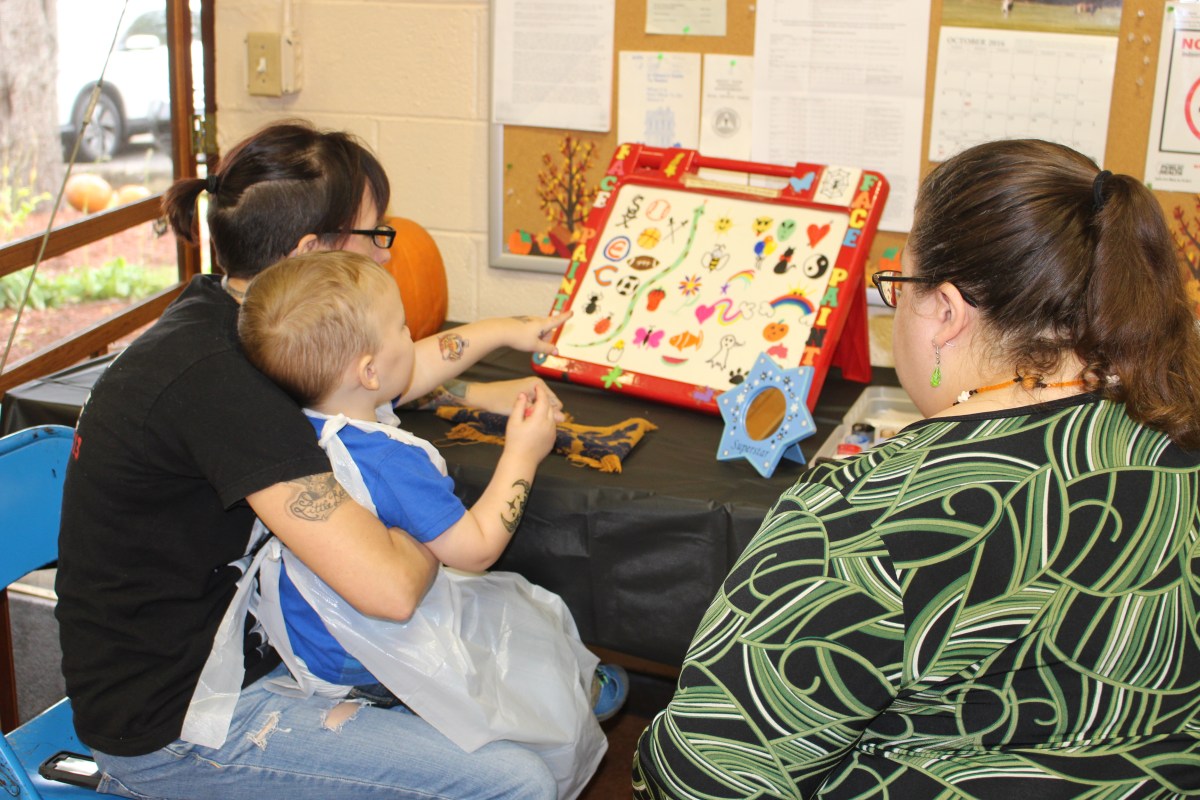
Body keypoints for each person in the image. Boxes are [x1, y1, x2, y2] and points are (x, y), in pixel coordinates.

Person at [633, 139, 1200, 798]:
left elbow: (703, 774)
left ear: (947, 313)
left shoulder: (865, 513)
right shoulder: (1176, 436)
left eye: (899, 285)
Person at [55, 120, 578, 800]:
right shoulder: (225, 386)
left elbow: (387, 370)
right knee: (518, 780)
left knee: (534, 691)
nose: (386, 254)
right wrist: (420, 520)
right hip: (183, 721)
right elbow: (391, 590)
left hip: (251, 647)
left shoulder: (241, 318)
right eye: (375, 235)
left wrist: (502, 339)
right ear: (311, 252)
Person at [236, 250, 625, 781]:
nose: (412, 335)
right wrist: (524, 452)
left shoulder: (301, 415)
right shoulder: (391, 462)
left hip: (310, 643)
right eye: (401, 327)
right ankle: (568, 697)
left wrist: (505, 329)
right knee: (524, 620)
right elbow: (477, 549)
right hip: (368, 660)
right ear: (369, 371)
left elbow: (414, 366)